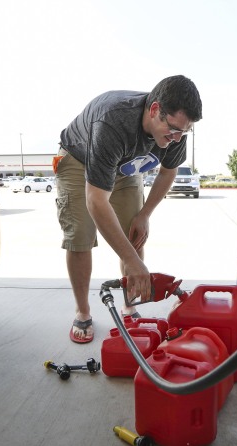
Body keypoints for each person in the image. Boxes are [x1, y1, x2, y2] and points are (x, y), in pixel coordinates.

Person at [54, 75, 202, 343]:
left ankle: (129, 306)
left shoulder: (176, 131)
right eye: (172, 130)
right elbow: (96, 200)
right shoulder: (113, 120)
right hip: (80, 160)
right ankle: (83, 311)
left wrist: (145, 214)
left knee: (134, 234)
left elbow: (168, 173)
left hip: (126, 164)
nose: (177, 138)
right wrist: (134, 262)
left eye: (184, 131)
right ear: (155, 110)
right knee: (80, 237)